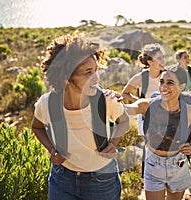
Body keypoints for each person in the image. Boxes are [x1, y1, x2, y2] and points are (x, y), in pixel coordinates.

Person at [31, 32, 129, 200]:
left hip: (102, 181)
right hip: (62, 179)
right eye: (88, 72)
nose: (97, 78)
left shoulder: (106, 101)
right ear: (66, 77)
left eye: (96, 70)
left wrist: (113, 143)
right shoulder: (47, 104)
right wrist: (51, 149)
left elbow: (124, 120)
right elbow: (37, 126)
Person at [125, 66, 191, 200]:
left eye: (170, 83)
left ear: (182, 86)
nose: (163, 87)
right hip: (153, 165)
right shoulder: (147, 105)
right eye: (162, 82)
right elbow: (126, 109)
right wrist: (110, 101)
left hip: (178, 165)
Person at [121, 43, 165, 178]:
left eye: (163, 57)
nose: (163, 61)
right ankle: (148, 176)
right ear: (150, 62)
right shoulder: (141, 77)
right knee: (149, 146)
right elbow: (125, 93)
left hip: (165, 115)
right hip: (147, 116)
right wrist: (140, 104)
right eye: (159, 58)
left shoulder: (167, 76)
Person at [175, 49, 191, 162]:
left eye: (188, 57)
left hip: (190, 101)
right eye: (185, 57)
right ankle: (185, 152)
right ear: (178, 59)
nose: (188, 59)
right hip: (179, 101)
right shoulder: (174, 71)